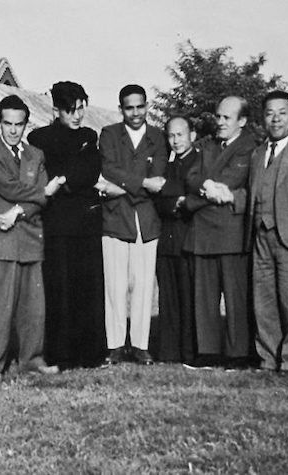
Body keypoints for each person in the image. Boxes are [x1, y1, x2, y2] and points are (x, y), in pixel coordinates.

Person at [0, 94, 64, 381]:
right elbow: (13, 187)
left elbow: (40, 199)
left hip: (29, 238)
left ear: (26, 124)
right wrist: (42, 193)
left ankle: (32, 360)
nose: (13, 130)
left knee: (34, 308)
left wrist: (15, 213)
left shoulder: (35, 155)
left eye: (19, 124)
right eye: (7, 123)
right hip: (1, 240)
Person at [27, 81, 106, 370]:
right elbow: (61, 170)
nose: (77, 116)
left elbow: (91, 169)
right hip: (57, 225)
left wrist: (61, 179)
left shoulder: (89, 135)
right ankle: (61, 354)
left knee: (88, 287)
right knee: (59, 290)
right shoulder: (39, 138)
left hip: (86, 223)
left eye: (81, 109)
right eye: (70, 110)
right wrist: (71, 175)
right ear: (55, 109)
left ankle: (91, 354)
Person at [183, 96, 256, 370]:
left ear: (243, 121)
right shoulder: (208, 145)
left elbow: (230, 183)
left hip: (231, 233)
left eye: (227, 118)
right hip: (203, 233)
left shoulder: (249, 147)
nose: (220, 122)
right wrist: (207, 188)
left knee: (236, 298)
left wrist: (192, 201)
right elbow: (190, 178)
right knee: (205, 298)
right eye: (218, 116)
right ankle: (208, 351)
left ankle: (238, 353)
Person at [98, 84, 167, 365]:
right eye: (129, 107)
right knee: (115, 285)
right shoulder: (110, 134)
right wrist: (141, 183)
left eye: (140, 106)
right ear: (121, 109)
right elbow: (108, 169)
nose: (135, 113)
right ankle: (115, 345)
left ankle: (140, 345)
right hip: (116, 218)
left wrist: (121, 186)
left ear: (147, 106)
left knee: (143, 285)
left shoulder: (157, 136)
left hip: (147, 220)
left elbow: (159, 175)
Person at [245, 91, 288, 373]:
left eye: (282, 113)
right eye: (270, 113)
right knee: (264, 301)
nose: (276, 119)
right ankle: (268, 358)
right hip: (260, 235)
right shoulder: (258, 153)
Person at [153, 116, 198, 364]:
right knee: (167, 298)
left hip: (187, 239)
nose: (176, 140)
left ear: (191, 135)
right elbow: (159, 201)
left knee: (188, 297)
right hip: (167, 241)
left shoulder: (198, 163)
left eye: (180, 135)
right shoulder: (167, 167)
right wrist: (173, 198)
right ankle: (168, 352)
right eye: (171, 136)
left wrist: (168, 191)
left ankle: (189, 352)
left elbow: (189, 192)